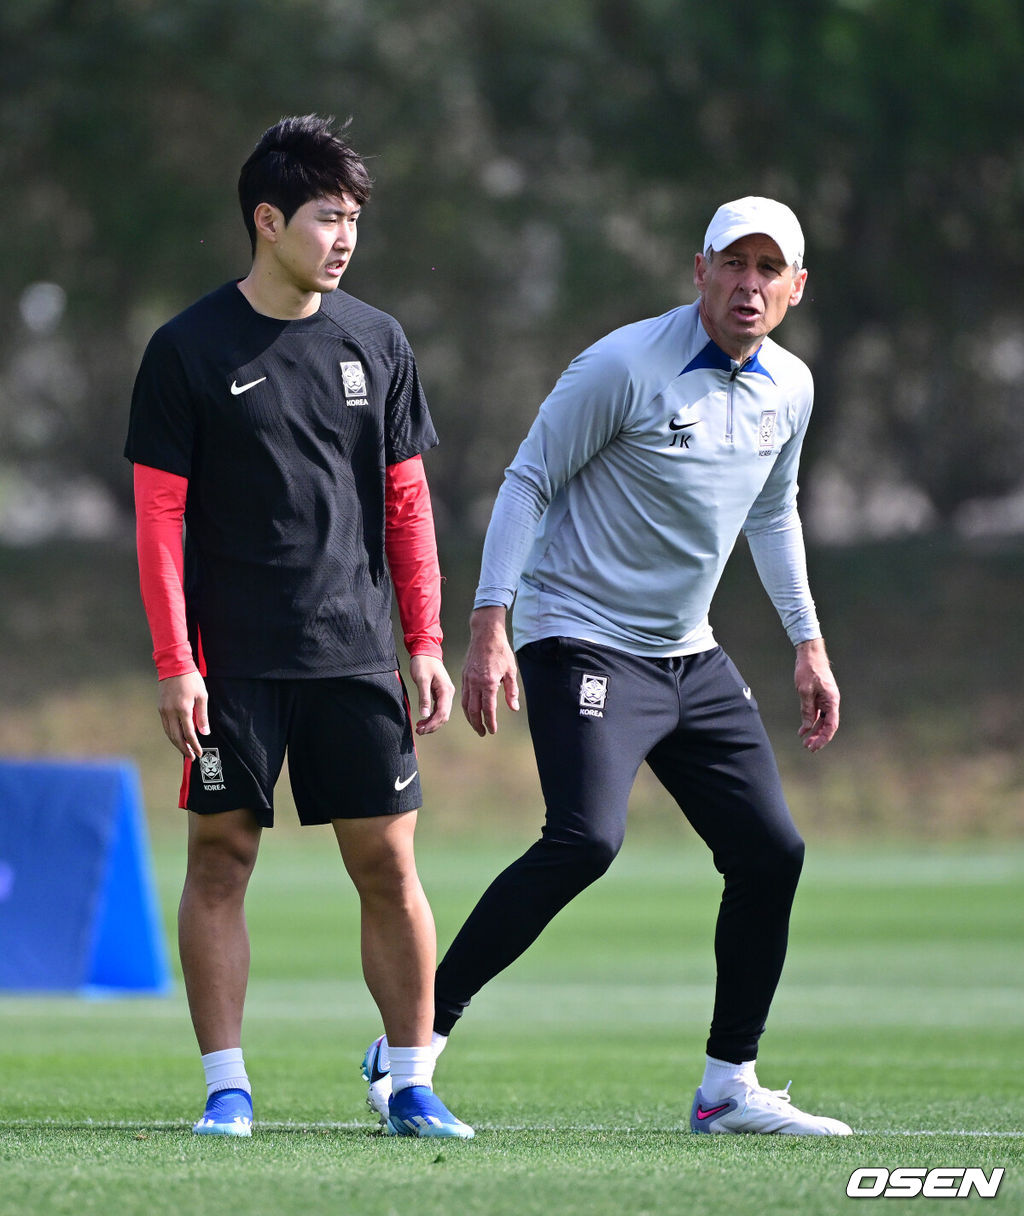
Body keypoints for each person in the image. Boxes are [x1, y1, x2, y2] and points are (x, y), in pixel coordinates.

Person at [364, 196, 852, 1136]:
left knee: (771, 853)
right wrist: (488, 624)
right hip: (579, 635)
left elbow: (773, 512)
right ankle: (411, 1045)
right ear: (698, 270)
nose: (749, 286)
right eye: (733, 265)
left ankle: (727, 1087)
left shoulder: (790, 387)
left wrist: (808, 642)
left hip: (690, 652)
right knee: (585, 840)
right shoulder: (623, 365)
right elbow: (527, 481)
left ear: (796, 288)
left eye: (768, 270)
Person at [124, 114, 472, 1140]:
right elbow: (158, 518)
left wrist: (424, 640)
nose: (345, 235)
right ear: (268, 220)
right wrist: (175, 662)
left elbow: (407, 504)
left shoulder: (379, 341)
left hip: (357, 654)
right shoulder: (186, 348)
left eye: (355, 217)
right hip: (231, 670)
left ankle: (411, 1082)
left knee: (388, 866)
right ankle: (227, 1089)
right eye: (328, 216)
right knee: (220, 860)